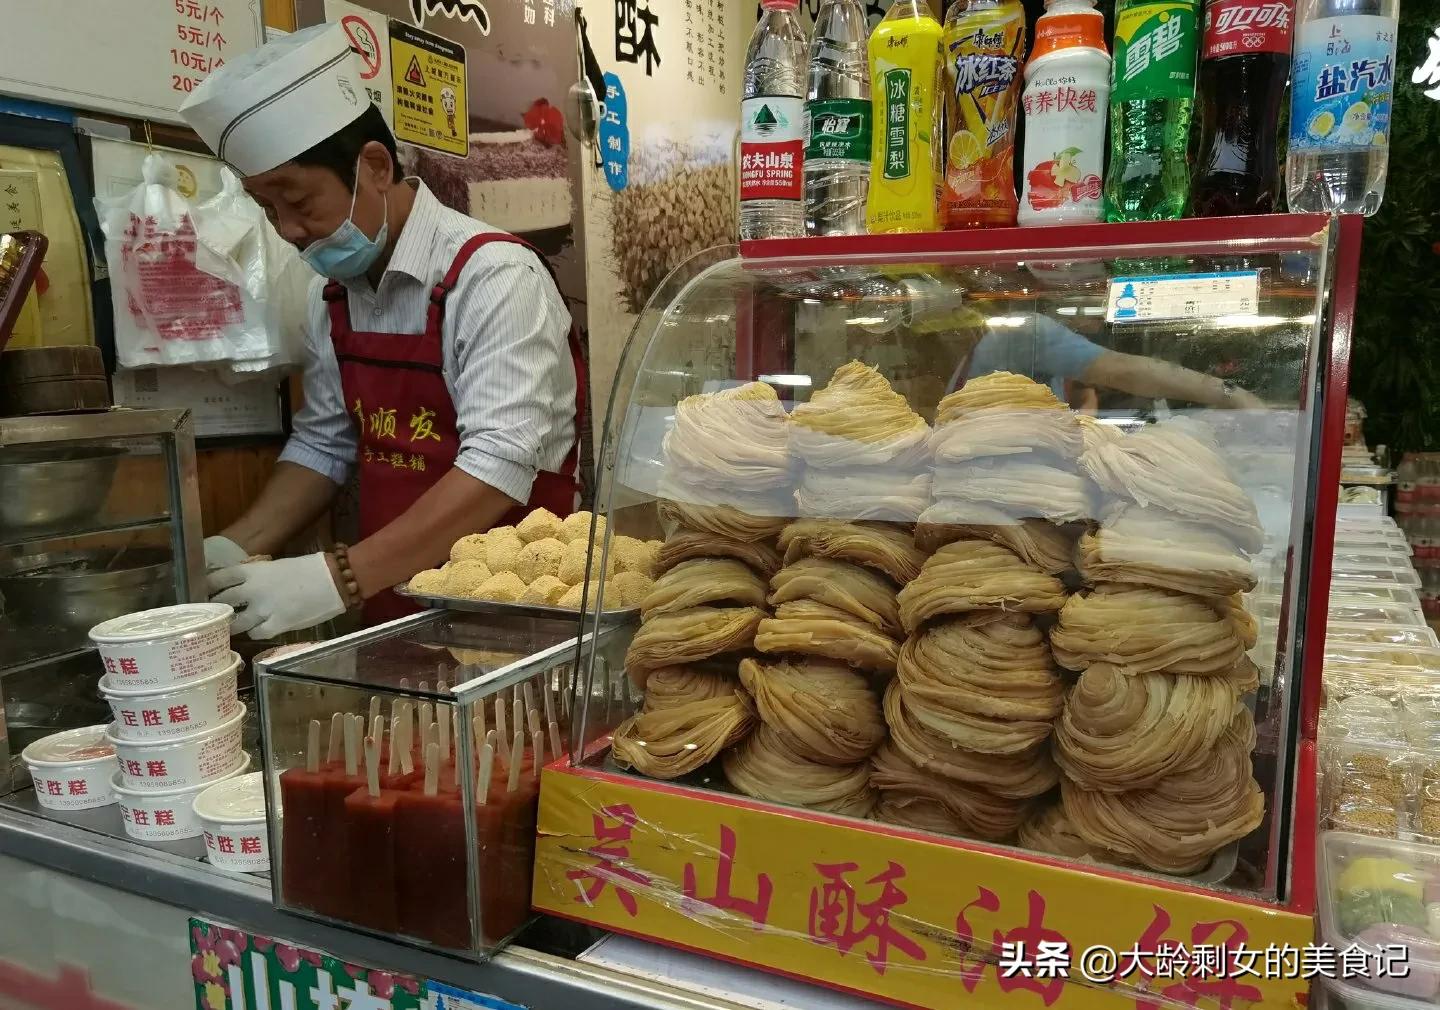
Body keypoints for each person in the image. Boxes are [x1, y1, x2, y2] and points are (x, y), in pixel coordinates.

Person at [179, 24, 583, 638]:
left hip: (513, 619)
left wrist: (336, 578)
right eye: (269, 209)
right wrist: (233, 549)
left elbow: (500, 464)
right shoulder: (333, 296)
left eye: (298, 200)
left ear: (373, 166)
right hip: (393, 612)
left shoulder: (493, 277)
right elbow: (324, 443)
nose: (287, 230)